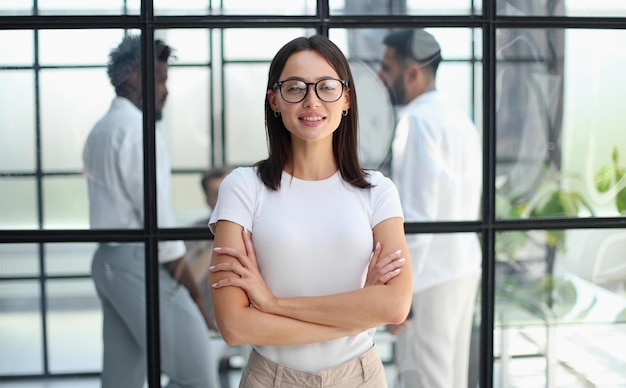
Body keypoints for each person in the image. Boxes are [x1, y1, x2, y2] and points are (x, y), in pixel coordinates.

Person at [207, 34, 413, 387]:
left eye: (326, 87)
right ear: (274, 100)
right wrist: (360, 311)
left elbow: (394, 306)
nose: (311, 101)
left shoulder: (378, 191)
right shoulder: (243, 188)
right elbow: (235, 326)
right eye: (295, 88)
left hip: (359, 377)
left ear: (346, 98)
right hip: (272, 377)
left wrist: (272, 304)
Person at [83, 34, 213, 387]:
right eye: (160, 79)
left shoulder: (101, 130)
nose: (165, 90)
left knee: (121, 379)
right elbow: (156, 222)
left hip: (109, 263)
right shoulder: (137, 131)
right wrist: (192, 290)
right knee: (198, 374)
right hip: (138, 264)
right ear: (134, 77)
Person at [378, 29, 483, 388]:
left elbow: (417, 218)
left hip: (429, 278)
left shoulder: (416, 122)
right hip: (462, 268)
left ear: (412, 73)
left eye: (386, 68)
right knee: (450, 376)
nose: (380, 76)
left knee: (422, 379)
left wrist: (401, 294)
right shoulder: (460, 120)